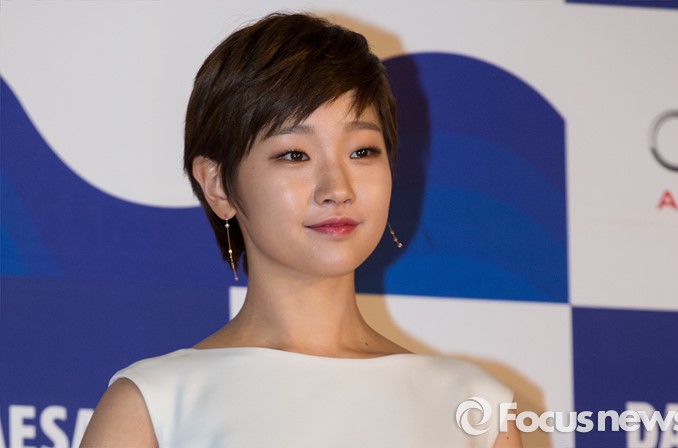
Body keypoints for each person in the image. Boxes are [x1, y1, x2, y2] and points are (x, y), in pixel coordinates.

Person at [81, 12, 522, 448]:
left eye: (363, 151)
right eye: (295, 155)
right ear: (217, 185)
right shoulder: (154, 408)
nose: (337, 189)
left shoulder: (475, 410)